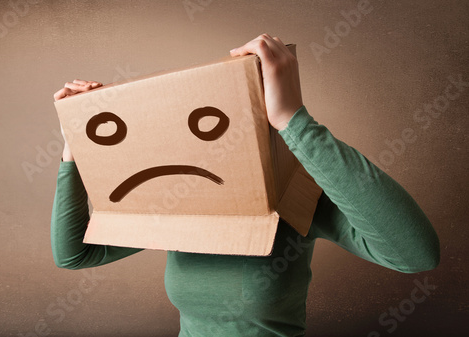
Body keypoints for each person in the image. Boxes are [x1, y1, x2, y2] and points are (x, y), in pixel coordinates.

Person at [51, 34, 440, 336]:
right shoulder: (182, 197)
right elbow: (75, 256)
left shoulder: (293, 196)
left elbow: (415, 254)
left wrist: (292, 119)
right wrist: (77, 149)